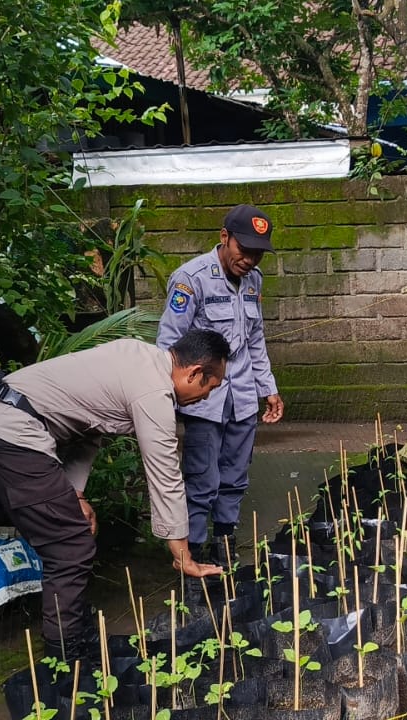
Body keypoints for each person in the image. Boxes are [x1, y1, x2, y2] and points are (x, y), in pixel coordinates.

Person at [0, 329, 230, 660]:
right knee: (70, 547)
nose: (207, 397)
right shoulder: (154, 391)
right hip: (11, 434)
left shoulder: (136, 357)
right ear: (194, 373)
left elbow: (87, 428)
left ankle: (78, 636)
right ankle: (67, 654)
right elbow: (164, 474)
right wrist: (182, 552)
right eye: (210, 387)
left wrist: (76, 494)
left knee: (70, 536)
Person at [156, 204, 284, 566]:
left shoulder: (254, 281)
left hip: (242, 396)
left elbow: (255, 339)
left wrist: (267, 388)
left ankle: (224, 544)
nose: (250, 260)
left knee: (235, 476)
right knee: (201, 480)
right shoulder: (190, 279)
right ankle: (192, 552)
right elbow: (169, 342)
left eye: (258, 254)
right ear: (224, 238)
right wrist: (168, 397)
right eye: (244, 251)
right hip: (203, 401)